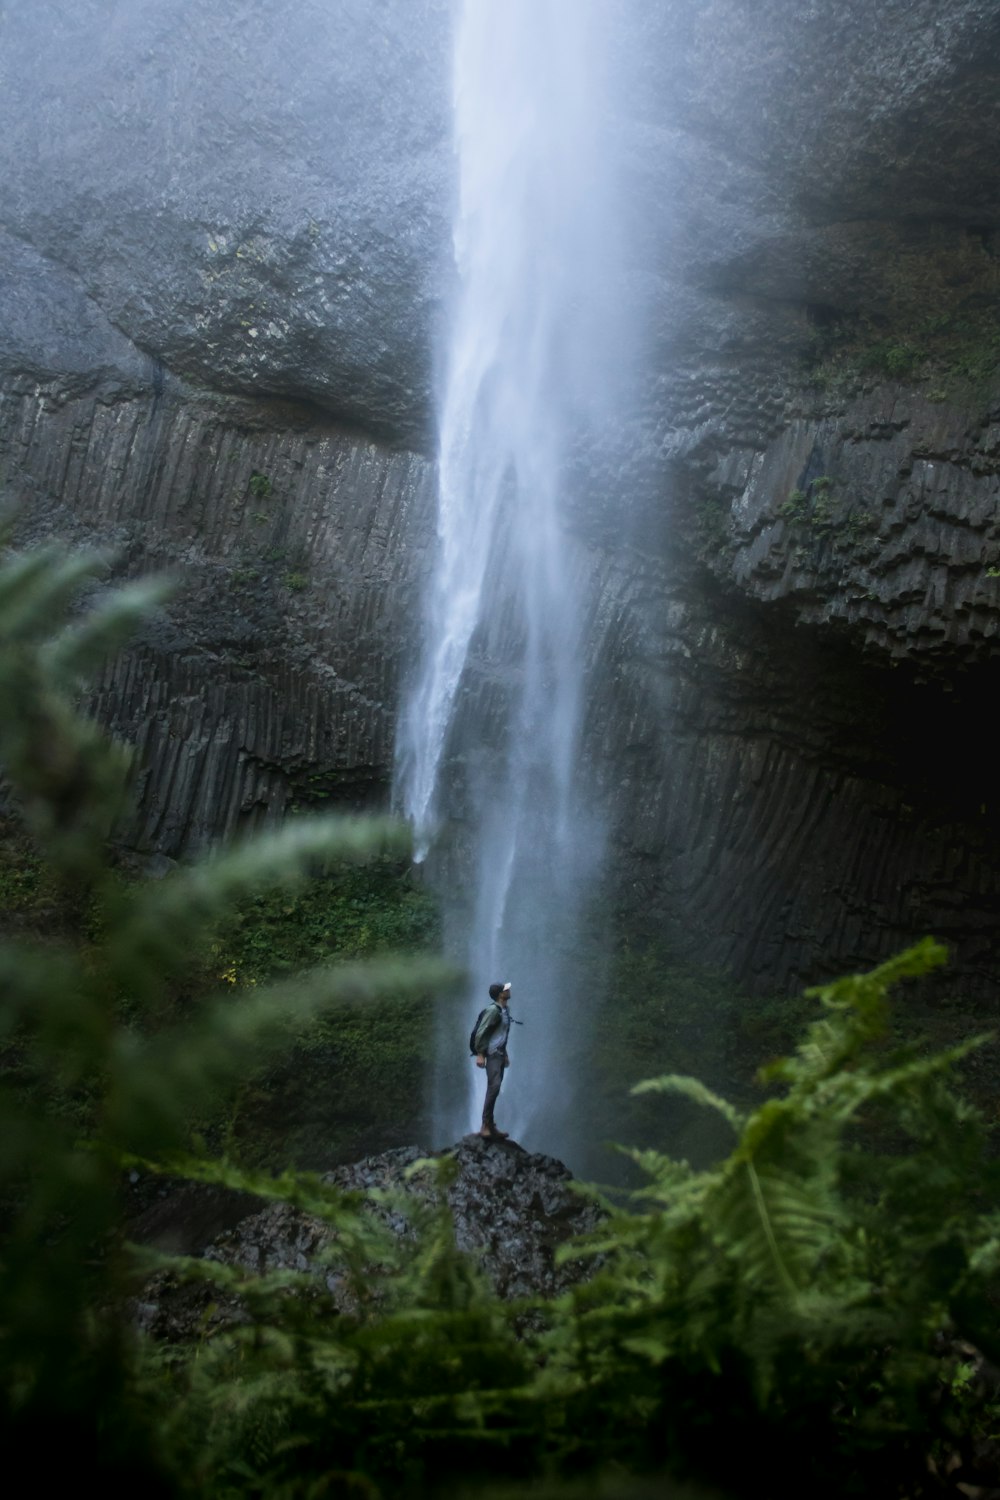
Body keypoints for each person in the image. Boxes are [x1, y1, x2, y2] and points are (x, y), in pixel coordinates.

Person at [476, 980, 512, 1139]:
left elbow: (502, 1034)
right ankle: (485, 1125)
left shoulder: (505, 1010)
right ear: (500, 994)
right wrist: (480, 1053)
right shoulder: (493, 1011)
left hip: (499, 1054)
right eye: (505, 989)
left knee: (495, 1088)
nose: (508, 990)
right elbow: (481, 1032)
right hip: (491, 1054)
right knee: (494, 1086)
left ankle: (491, 1125)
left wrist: (505, 1054)